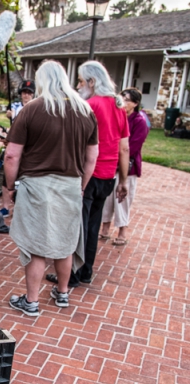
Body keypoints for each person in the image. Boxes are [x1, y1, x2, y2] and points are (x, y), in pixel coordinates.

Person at [4, 61, 99, 316]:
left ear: (41, 81)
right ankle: (62, 294)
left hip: (37, 185)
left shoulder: (31, 109)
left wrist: (10, 186)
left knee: (37, 245)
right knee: (64, 242)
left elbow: (12, 155)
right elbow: (92, 158)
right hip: (70, 184)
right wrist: (81, 186)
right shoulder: (85, 110)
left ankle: (32, 302)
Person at [46, 60, 130, 290]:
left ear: (92, 82)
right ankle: (86, 272)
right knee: (92, 226)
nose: (78, 85)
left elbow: (76, 143)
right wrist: (123, 180)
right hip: (108, 175)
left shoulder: (90, 105)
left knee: (77, 227)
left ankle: (71, 275)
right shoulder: (118, 105)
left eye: (82, 81)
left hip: (88, 174)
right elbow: (124, 147)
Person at [101, 88, 149, 246]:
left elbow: (132, 147)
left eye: (127, 99)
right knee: (107, 198)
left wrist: (117, 160)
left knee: (122, 199)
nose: (123, 102)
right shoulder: (117, 116)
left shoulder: (139, 121)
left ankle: (122, 232)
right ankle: (105, 229)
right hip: (110, 163)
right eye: (121, 97)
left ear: (135, 103)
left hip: (128, 167)